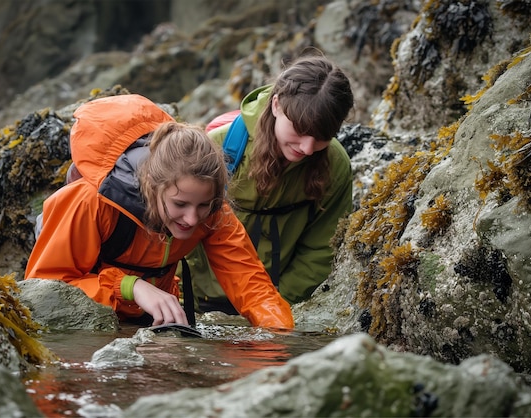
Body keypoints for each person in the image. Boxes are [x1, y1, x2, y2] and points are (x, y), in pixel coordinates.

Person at [24, 94, 294, 330]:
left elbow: (250, 282)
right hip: (83, 326)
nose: (192, 219)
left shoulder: (211, 208)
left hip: (152, 322)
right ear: (152, 188)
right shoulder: (88, 202)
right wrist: (132, 287)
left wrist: (280, 340)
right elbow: (43, 290)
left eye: (203, 205)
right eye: (179, 205)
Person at [188, 52, 355, 314]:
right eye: (299, 131)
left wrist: (275, 305)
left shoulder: (335, 165)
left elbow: (320, 250)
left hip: (274, 302)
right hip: (198, 303)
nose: (308, 148)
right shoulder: (219, 147)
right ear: (276, 105)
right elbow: (174, 227)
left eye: (323, 137)